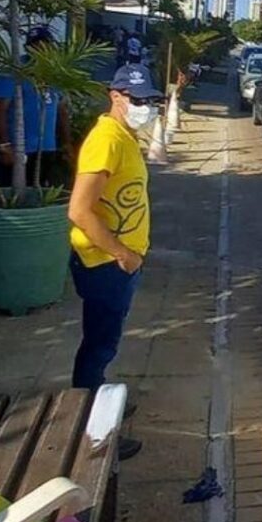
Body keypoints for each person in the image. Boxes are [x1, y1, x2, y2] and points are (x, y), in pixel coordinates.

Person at [67, 64, 162, 461]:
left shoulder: (122, 135)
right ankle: (92, 434)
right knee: (99, 345)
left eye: (151, 100)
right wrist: (122, 254)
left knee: (103, 344)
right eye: (137, 100)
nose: (146, 108)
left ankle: (97, 402)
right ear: (116, 96)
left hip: (117, 263)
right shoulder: (106, 140)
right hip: (107, 264)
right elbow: (79, 210)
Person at [0, 27, 73, 188]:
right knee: (15, 191)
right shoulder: (14, 71)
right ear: (27, 48)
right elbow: (0, 109)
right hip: (20, 147)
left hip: (47, 146)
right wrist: (5, 145)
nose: (41, 49)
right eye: (35, 45)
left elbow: (61, 110)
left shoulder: (56, 72)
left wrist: (66, 142)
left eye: (45, 45)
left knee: (41, 191)